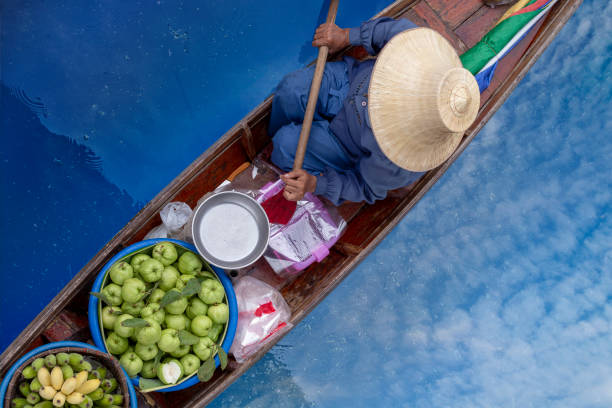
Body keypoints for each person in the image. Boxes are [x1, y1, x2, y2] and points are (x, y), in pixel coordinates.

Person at [270, 18, 480, 205]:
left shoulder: (398, 160)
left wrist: (316, 184)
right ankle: (282, 133)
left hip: (343, 144)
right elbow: (394, 30)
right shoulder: (417, 53)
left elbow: (363, 187)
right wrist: (345, 36)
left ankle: (291, 144)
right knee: (293, 89)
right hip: (347, 83)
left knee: (284, 146)